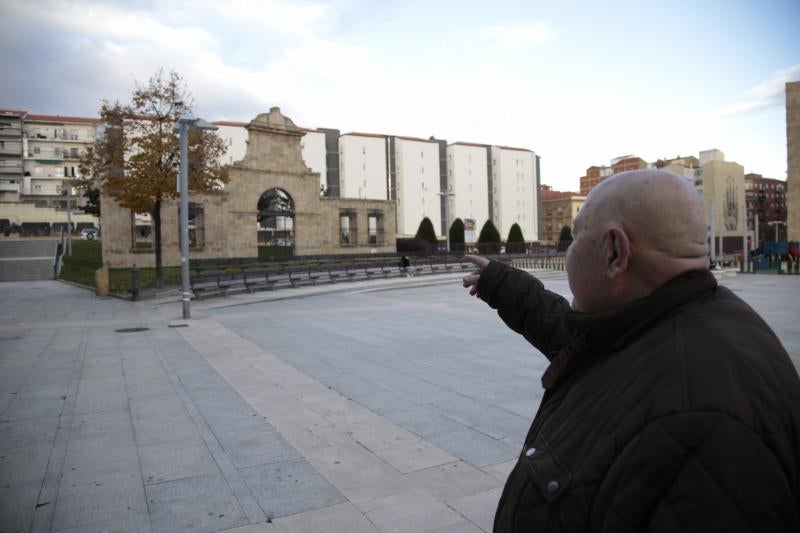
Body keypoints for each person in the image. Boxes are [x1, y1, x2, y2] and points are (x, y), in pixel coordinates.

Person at [462, 169, 800, 532]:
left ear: (615, 251)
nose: (568, 251)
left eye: (574, 239)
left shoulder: (703, 423)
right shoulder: (680, 318)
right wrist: (504, 285)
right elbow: (596, 351)